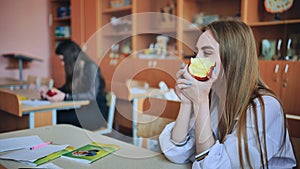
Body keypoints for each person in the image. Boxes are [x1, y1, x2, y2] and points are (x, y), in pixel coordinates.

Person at [159, 19, 296, 168]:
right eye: (196, 52)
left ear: (233, 59)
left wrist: (201, 102)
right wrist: (186, 103)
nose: (196, 60)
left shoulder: (265, 107)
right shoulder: (214, 96)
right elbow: (176, 153)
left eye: (207, 52)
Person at [41, 40, 108, 130]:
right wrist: (51, 91)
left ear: (70, 57)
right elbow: (66, 88)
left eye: (63, 60)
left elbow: (91, 95)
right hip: (81, 109)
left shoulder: (91, 66)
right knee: (51, 114)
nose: (62, 63)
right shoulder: (75, 69)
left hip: (95, 114)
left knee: (56, 116)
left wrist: (65, 97)